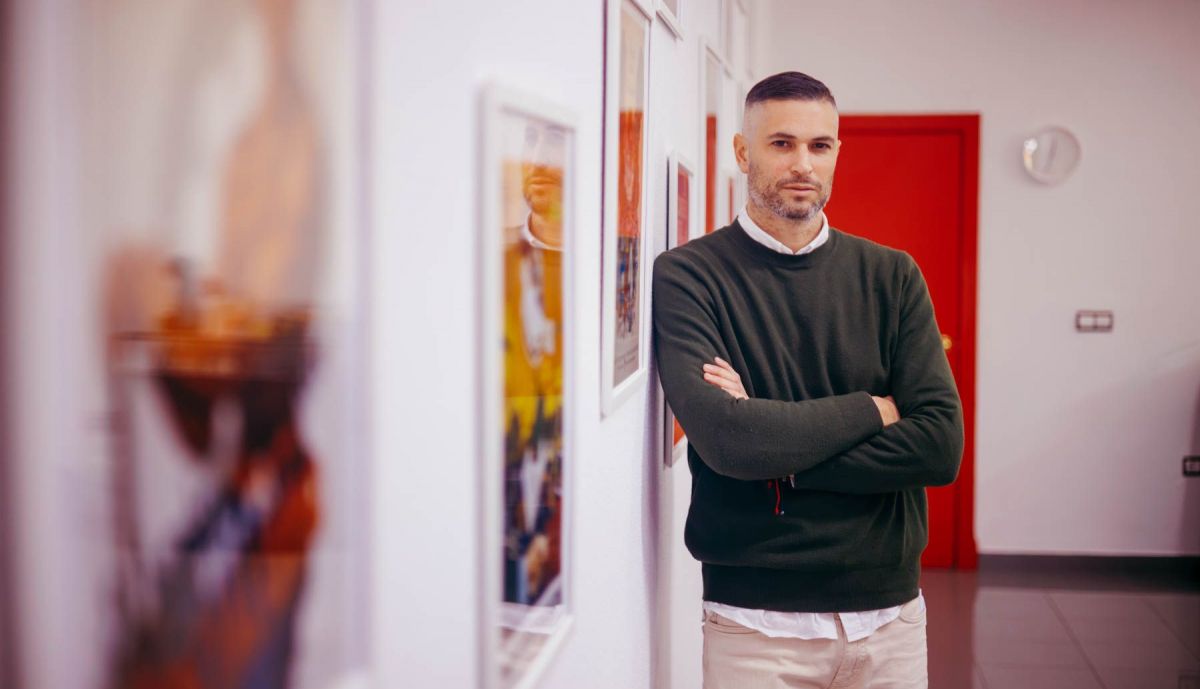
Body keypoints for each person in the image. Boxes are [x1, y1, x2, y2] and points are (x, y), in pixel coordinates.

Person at [652, 71, 964, 689]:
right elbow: (732, 442)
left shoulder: (892, 276)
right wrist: (874, 409)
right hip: (755, 626)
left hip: (891, 623)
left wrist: (781, 453)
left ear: (837, 154)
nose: (803, 164)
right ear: (743, 153)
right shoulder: (689, 277)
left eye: (820, 146)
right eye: (781, 143)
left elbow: (939, 445)